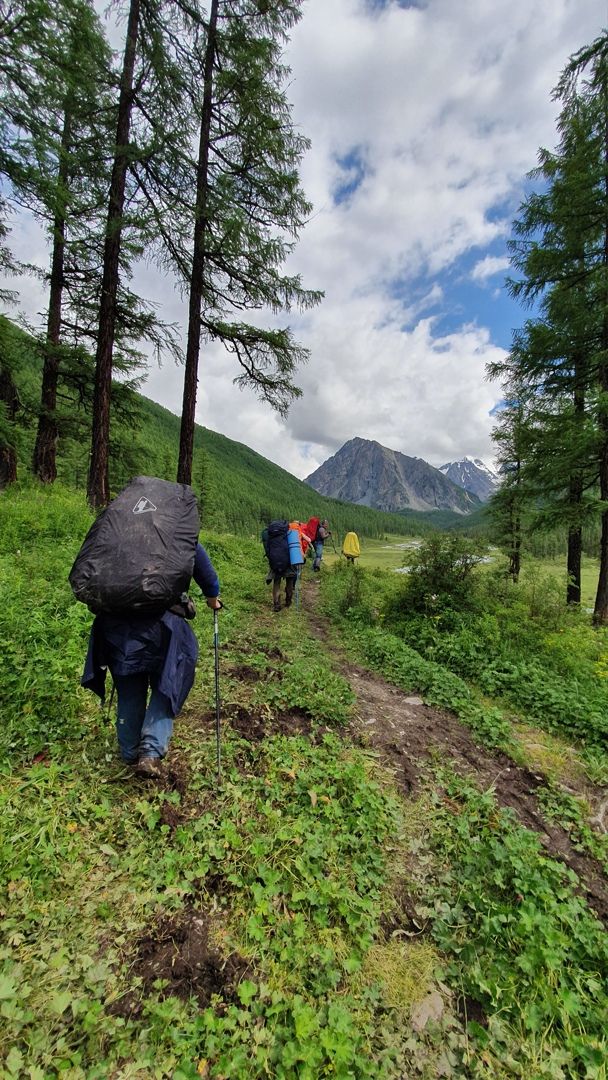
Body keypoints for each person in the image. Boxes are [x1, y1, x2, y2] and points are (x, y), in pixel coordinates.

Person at [81, 542, 221, 777]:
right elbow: (206, 574)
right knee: (167, 683)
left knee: (129, 686)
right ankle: (151, 752)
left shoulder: (117, 530)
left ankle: (129, 752)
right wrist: (212, 599)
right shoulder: (178, 528)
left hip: (116, 626)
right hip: (162, 626)